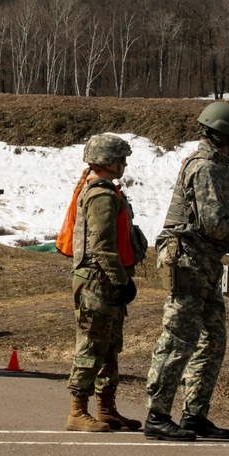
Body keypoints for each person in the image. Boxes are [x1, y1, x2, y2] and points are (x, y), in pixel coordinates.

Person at [144, 101, 229, 441]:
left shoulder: (215, 164)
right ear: (225, 136)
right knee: (178, 337)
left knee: (212, 339)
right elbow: (213, 223)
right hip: (187, 259)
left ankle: (194, 414)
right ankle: (157, 416)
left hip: (204, 261)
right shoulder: (206, 167)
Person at [58, 134, 144, 432]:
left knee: (109, 346)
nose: (124, 163)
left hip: (104, 278)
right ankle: (77, 411)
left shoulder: (104, 190)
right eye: (121, 158)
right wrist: (120, 281)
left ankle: (106, 409)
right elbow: (102, 246)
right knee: (92, 344)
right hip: (98, 281)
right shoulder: (101, 195)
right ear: (108, 161)